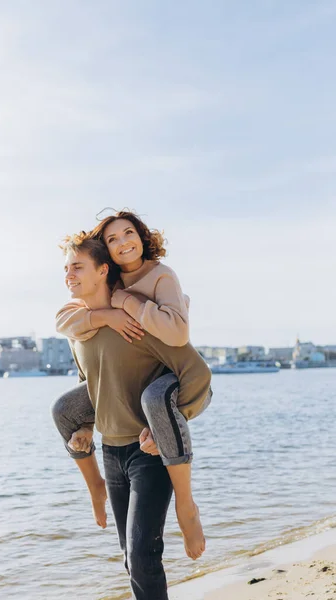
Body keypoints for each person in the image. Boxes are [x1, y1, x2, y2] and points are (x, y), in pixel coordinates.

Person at [52, 234, 212, 600]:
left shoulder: (134, 319)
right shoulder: (78, 328)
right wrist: (87, 426)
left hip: (149, 454)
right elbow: (92, 382)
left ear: (103, 269)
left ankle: (189, 511)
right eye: (65, 269)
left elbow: (197, 374)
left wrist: (171, 421)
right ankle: (95, 487)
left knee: (142, 557)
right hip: (111, 453)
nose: (68, 275)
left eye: (77, 267)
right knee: (131, 559)